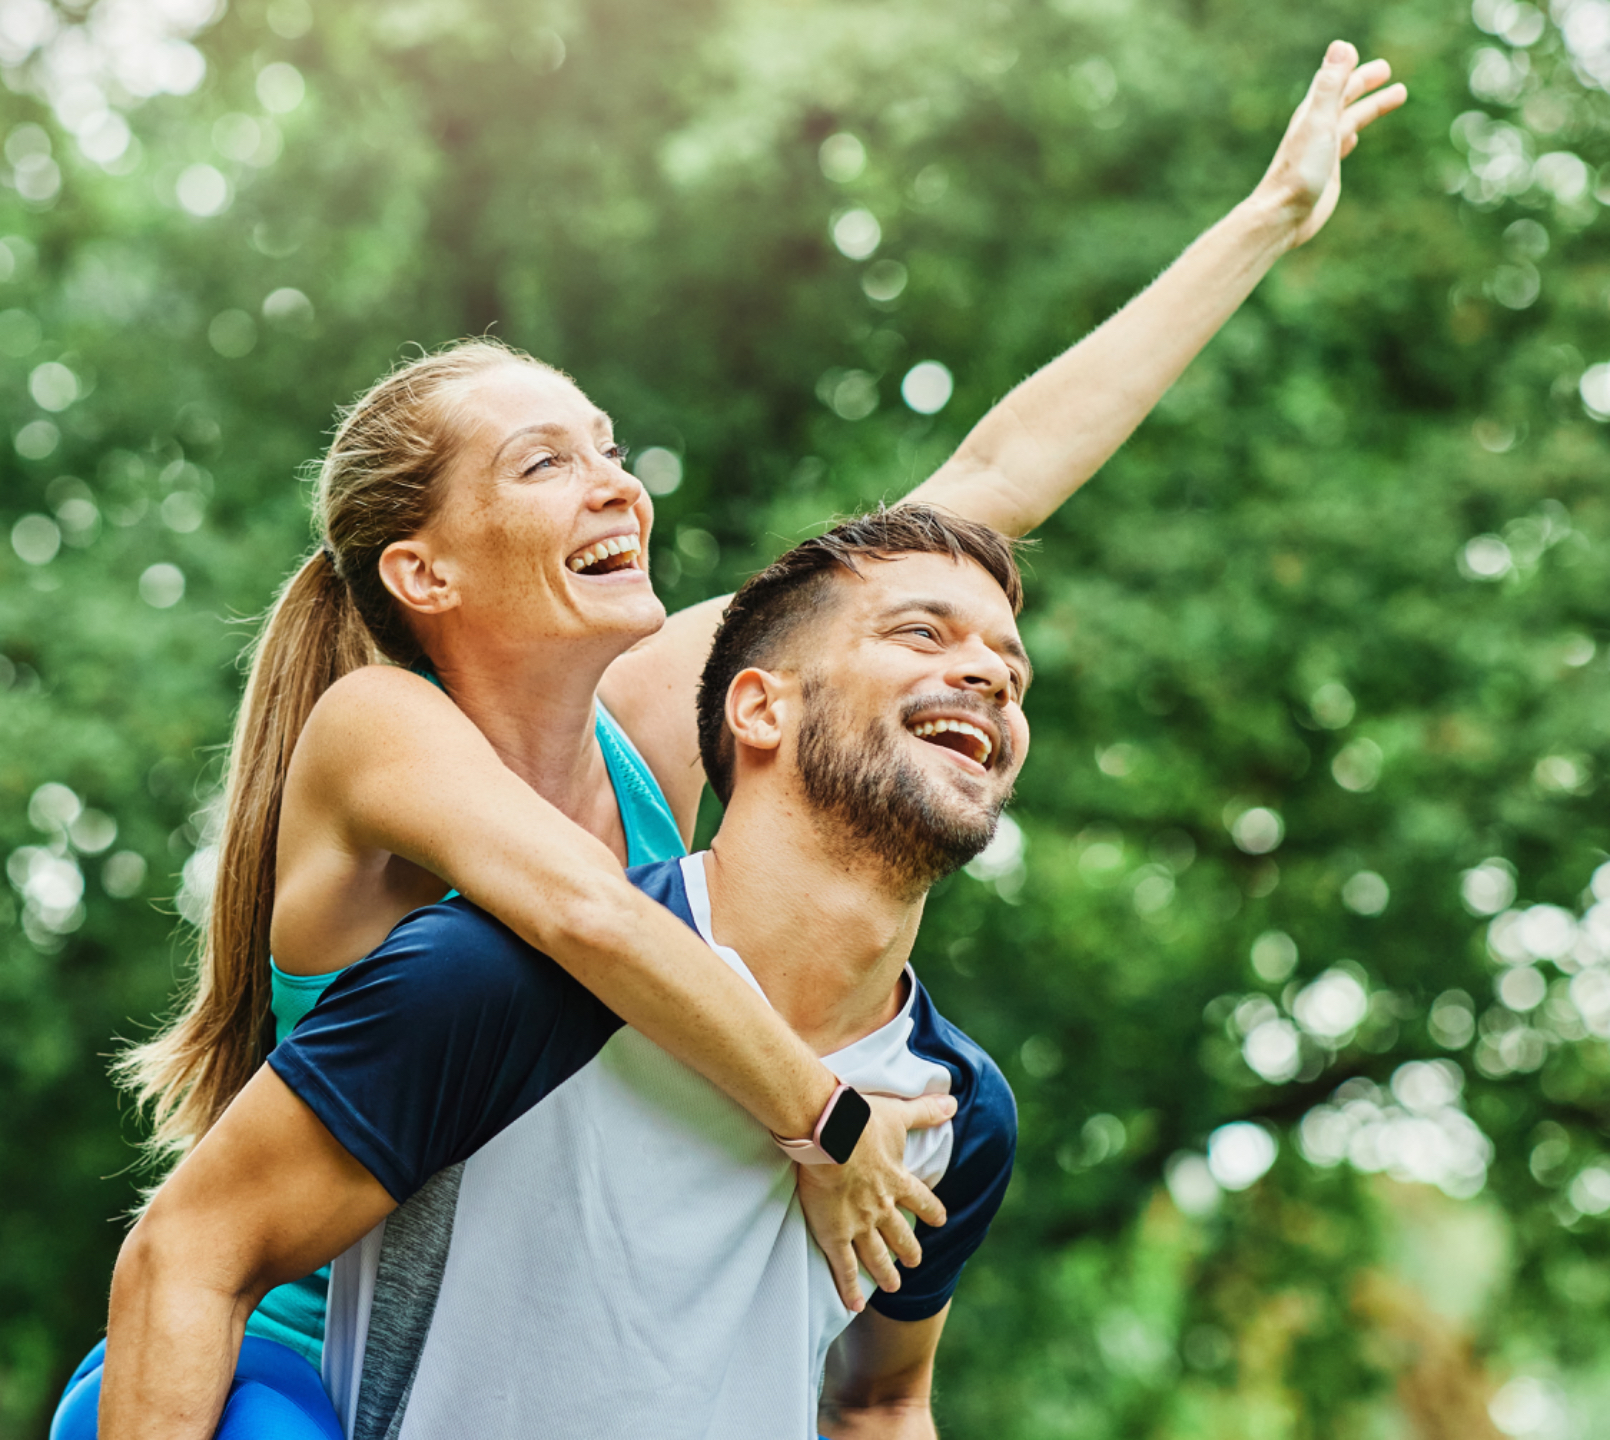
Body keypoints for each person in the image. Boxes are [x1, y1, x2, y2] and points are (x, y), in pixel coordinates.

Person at [55, 37, 1404, 1438]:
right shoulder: (379, 729)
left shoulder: (648, 722)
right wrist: (824, 1124)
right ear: (424, 573)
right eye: (545, 463)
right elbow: (583, 915)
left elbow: (983, 488)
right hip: (267, 1361)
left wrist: (1266, 219)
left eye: (607, 445)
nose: (614, 486)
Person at [102, 507, 1029, 1440]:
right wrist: (831, 1125)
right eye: (920, 633)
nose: (992, 676)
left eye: (1013, 671)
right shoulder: (491, 984)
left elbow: (880, 1402)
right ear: (759, 709)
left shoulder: (961, 1112)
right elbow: (185, 1254)